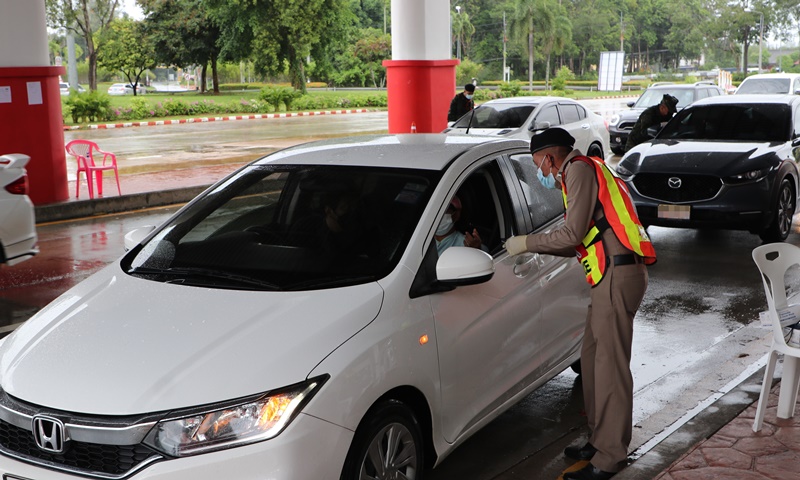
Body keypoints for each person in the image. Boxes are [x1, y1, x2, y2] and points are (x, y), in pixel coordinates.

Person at [503, 128, 656, 480]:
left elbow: (572, 234)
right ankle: (598, 439)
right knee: (591, 360)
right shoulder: (583, 170)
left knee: (610, 369)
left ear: (550, 158)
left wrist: (526, 242)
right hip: (609, 277)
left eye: (538, 164)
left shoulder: (577, 170)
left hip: (619, 277)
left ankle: (609, 456)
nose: (540, 172)